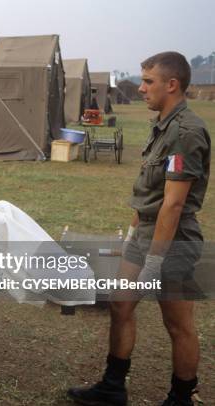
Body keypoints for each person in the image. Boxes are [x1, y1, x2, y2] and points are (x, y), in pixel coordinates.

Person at [67, 52, 210, 406]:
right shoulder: (162, 124)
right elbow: (150, 192)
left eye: (149, 82)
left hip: (171, 240)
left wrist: (155, 261)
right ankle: (113, 387)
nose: (142, 88)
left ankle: (181, 398)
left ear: (172, 84)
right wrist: (133, 237)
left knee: (177, 323)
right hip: (147, 232)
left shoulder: (185, 132)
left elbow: (173, 204)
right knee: (121, 305)